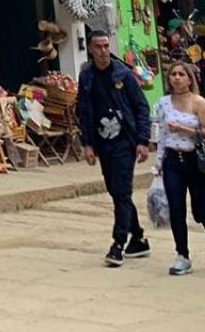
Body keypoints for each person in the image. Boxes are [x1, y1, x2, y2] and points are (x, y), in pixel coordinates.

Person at [76, 30, 152, 266]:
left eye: (106, 46)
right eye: (98, 47)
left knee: (121, 191)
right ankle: (138, 236)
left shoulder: (123, 74)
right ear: (91, 49)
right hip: (102, 143)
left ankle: (118, 244)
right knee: (116, 191)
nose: (103, 51)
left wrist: (143, 140)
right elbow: (84, 111)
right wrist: (87, 143)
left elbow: (141, 107)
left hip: (124, 141)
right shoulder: (86, 76)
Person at [152, 62, 205, 276]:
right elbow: (162, 134)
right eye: (173, 74)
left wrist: (184, 129)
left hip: (196, 160)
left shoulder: (198, 102)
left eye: (181, 74)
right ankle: (182, 254)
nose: (177, 78)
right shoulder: (163, 103)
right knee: (176, 208)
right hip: (172, 159)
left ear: (189, 79)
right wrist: (159, 161)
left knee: (202, 210)